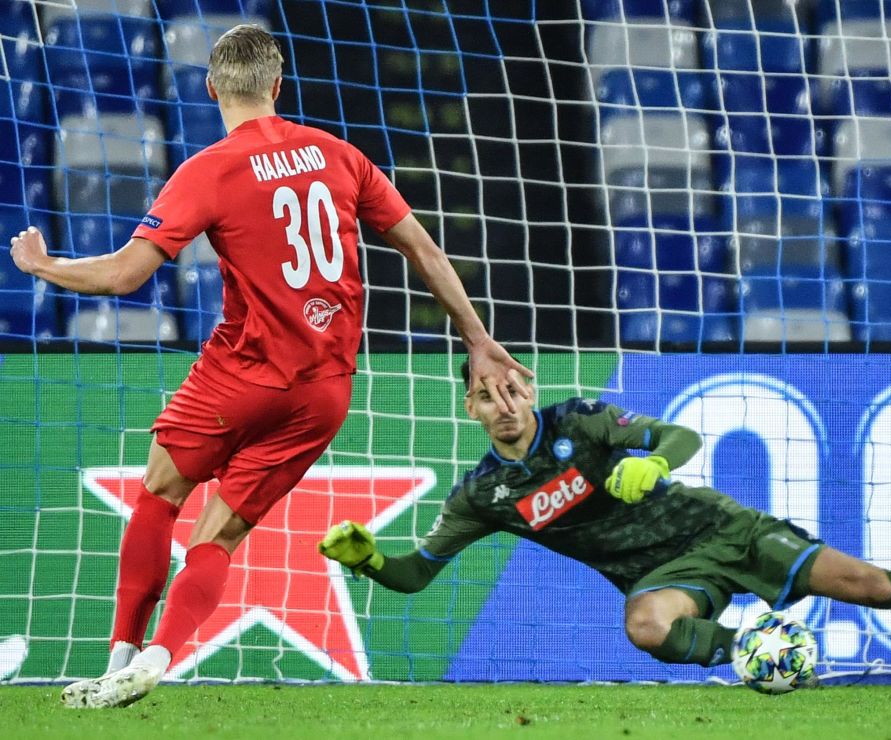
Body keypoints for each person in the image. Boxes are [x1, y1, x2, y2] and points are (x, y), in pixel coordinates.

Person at [8, 25, 531, 708]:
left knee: (161, 493)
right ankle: (163, 655)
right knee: (217, 536)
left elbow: (123, 277)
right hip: (324, 393)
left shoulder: (209, 170)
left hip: (241, 373)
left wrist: (46, 266)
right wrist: (477, 338)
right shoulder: (338, 155)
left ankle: (123, 653)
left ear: (211, 88)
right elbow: (425, 251)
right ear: (277, 86)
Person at [319, 361, 891, 686]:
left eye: (509, 388)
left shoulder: (582, 423)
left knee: (869, 583)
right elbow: (417, 575)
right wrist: (370, 562)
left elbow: (677, 436)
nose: (502, 405)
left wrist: (652, 460)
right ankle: (760, 655)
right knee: (646, 627)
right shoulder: (482, 497)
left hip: (717, 529)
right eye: (485, 396)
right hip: (667, 577)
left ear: (526, 387)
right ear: (471, 408)